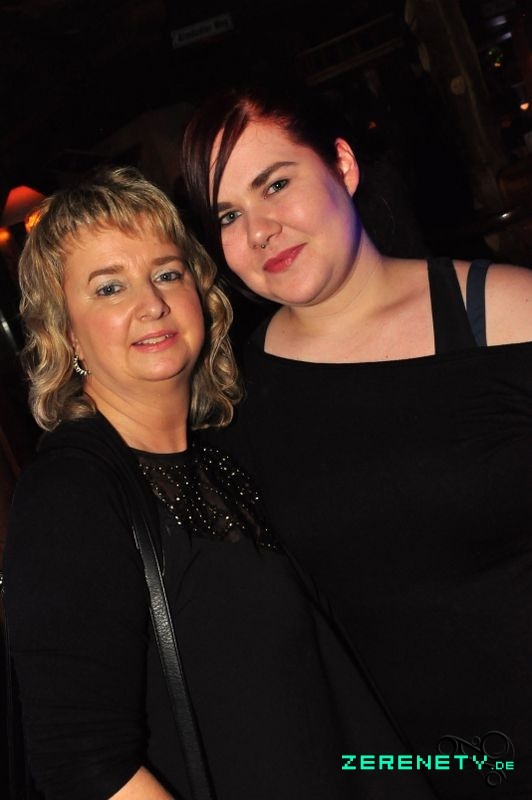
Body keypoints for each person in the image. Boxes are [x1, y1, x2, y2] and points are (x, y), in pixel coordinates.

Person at [4, 166, 441, 800]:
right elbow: (84, 766)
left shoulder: (223, 460)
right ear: (66, 331)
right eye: (109, 287)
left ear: (199, 292)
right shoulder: (71, 495)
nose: (152, 303)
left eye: (166, 273)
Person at [180, 84, 532, 800]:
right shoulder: (233, 403)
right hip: (391, 774)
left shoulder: (504, 315)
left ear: (342, 165)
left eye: (276, 184)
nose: (260, 230)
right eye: (228, 215)